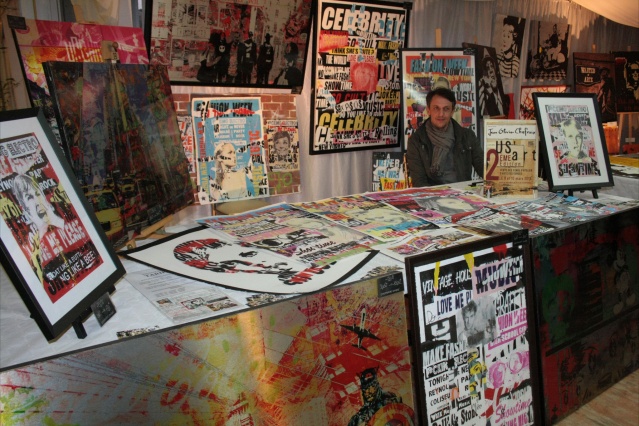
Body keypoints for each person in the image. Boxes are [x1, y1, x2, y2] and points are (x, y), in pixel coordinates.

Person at [406, 87, 484, 187]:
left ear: (452, 111)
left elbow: (483, 167)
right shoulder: (416, 141)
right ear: (428, 110)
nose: (441, 114)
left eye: (446, 109)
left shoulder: (467, 136)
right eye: (436, 108)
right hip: (432, 194)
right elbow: (419, 182)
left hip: (463, 192)